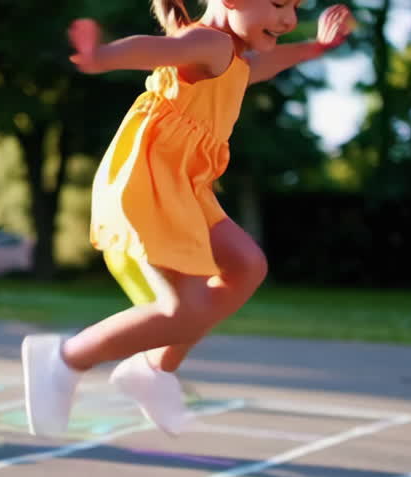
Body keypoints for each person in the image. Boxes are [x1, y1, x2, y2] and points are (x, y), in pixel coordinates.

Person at [22, 0, 355, 437]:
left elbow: (263, 66)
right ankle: (65, 360)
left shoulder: (233, 56)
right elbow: (158, 49)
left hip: (187, 185)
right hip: (154, 179)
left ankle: (153, 370)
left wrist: (313, 50)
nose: (288, 19)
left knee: (246, 267)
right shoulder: (210, 43)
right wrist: (104, 56)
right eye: (277, 4)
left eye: (295, 7)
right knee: (186, 308)